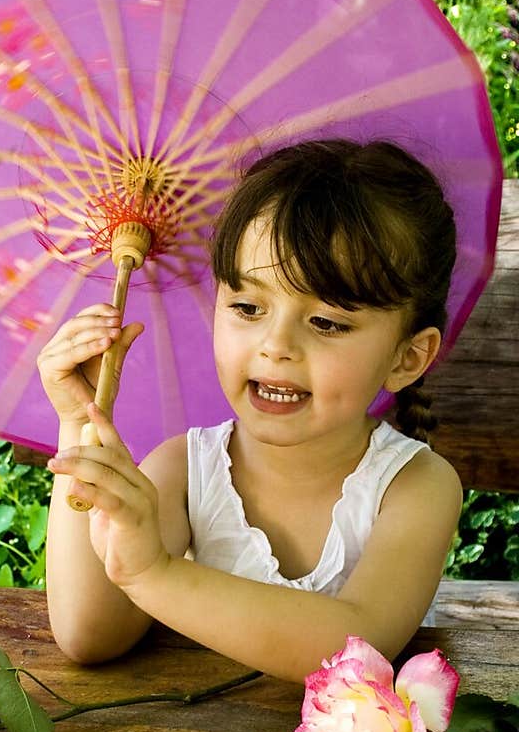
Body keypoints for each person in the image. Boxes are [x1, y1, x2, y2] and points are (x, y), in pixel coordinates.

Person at [37, 137, 464, 684]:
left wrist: (153, 572)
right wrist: (78, 425)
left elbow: (356, 651)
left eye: (327, 322)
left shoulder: (416, 487)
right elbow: (88, 634)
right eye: (246, 307)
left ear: (407, 358)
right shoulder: (184, 471)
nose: (275, 345)